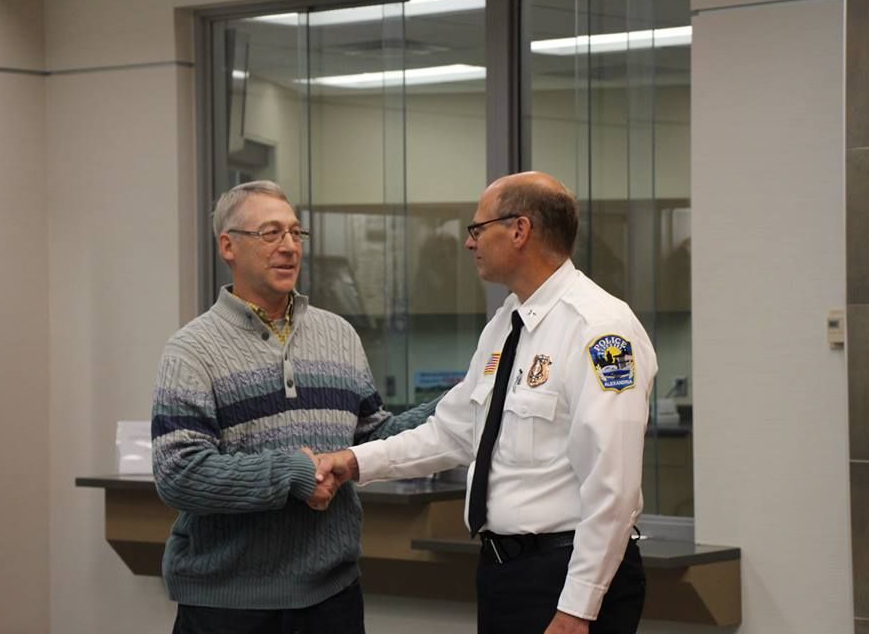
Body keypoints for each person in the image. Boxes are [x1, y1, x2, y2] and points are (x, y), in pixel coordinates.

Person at [324, 171, 657, 634]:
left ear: (520, 230)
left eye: (478, 229)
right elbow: (453, 432)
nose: (468, 243)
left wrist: (578, 608)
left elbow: (613, 486)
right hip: (506, 574)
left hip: (566, 577)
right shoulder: (507, 323)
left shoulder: (600, 329)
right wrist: (353, 461)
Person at [151, 180, 436, 634]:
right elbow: (179, 475)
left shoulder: (339, 335)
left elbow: (372, 438)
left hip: (332, 599)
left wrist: (460, 405)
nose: (288, 247)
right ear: (229, 246)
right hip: (227, 607)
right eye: (270, 234)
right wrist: (292, 474)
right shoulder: (191, 350)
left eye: (296, 234)